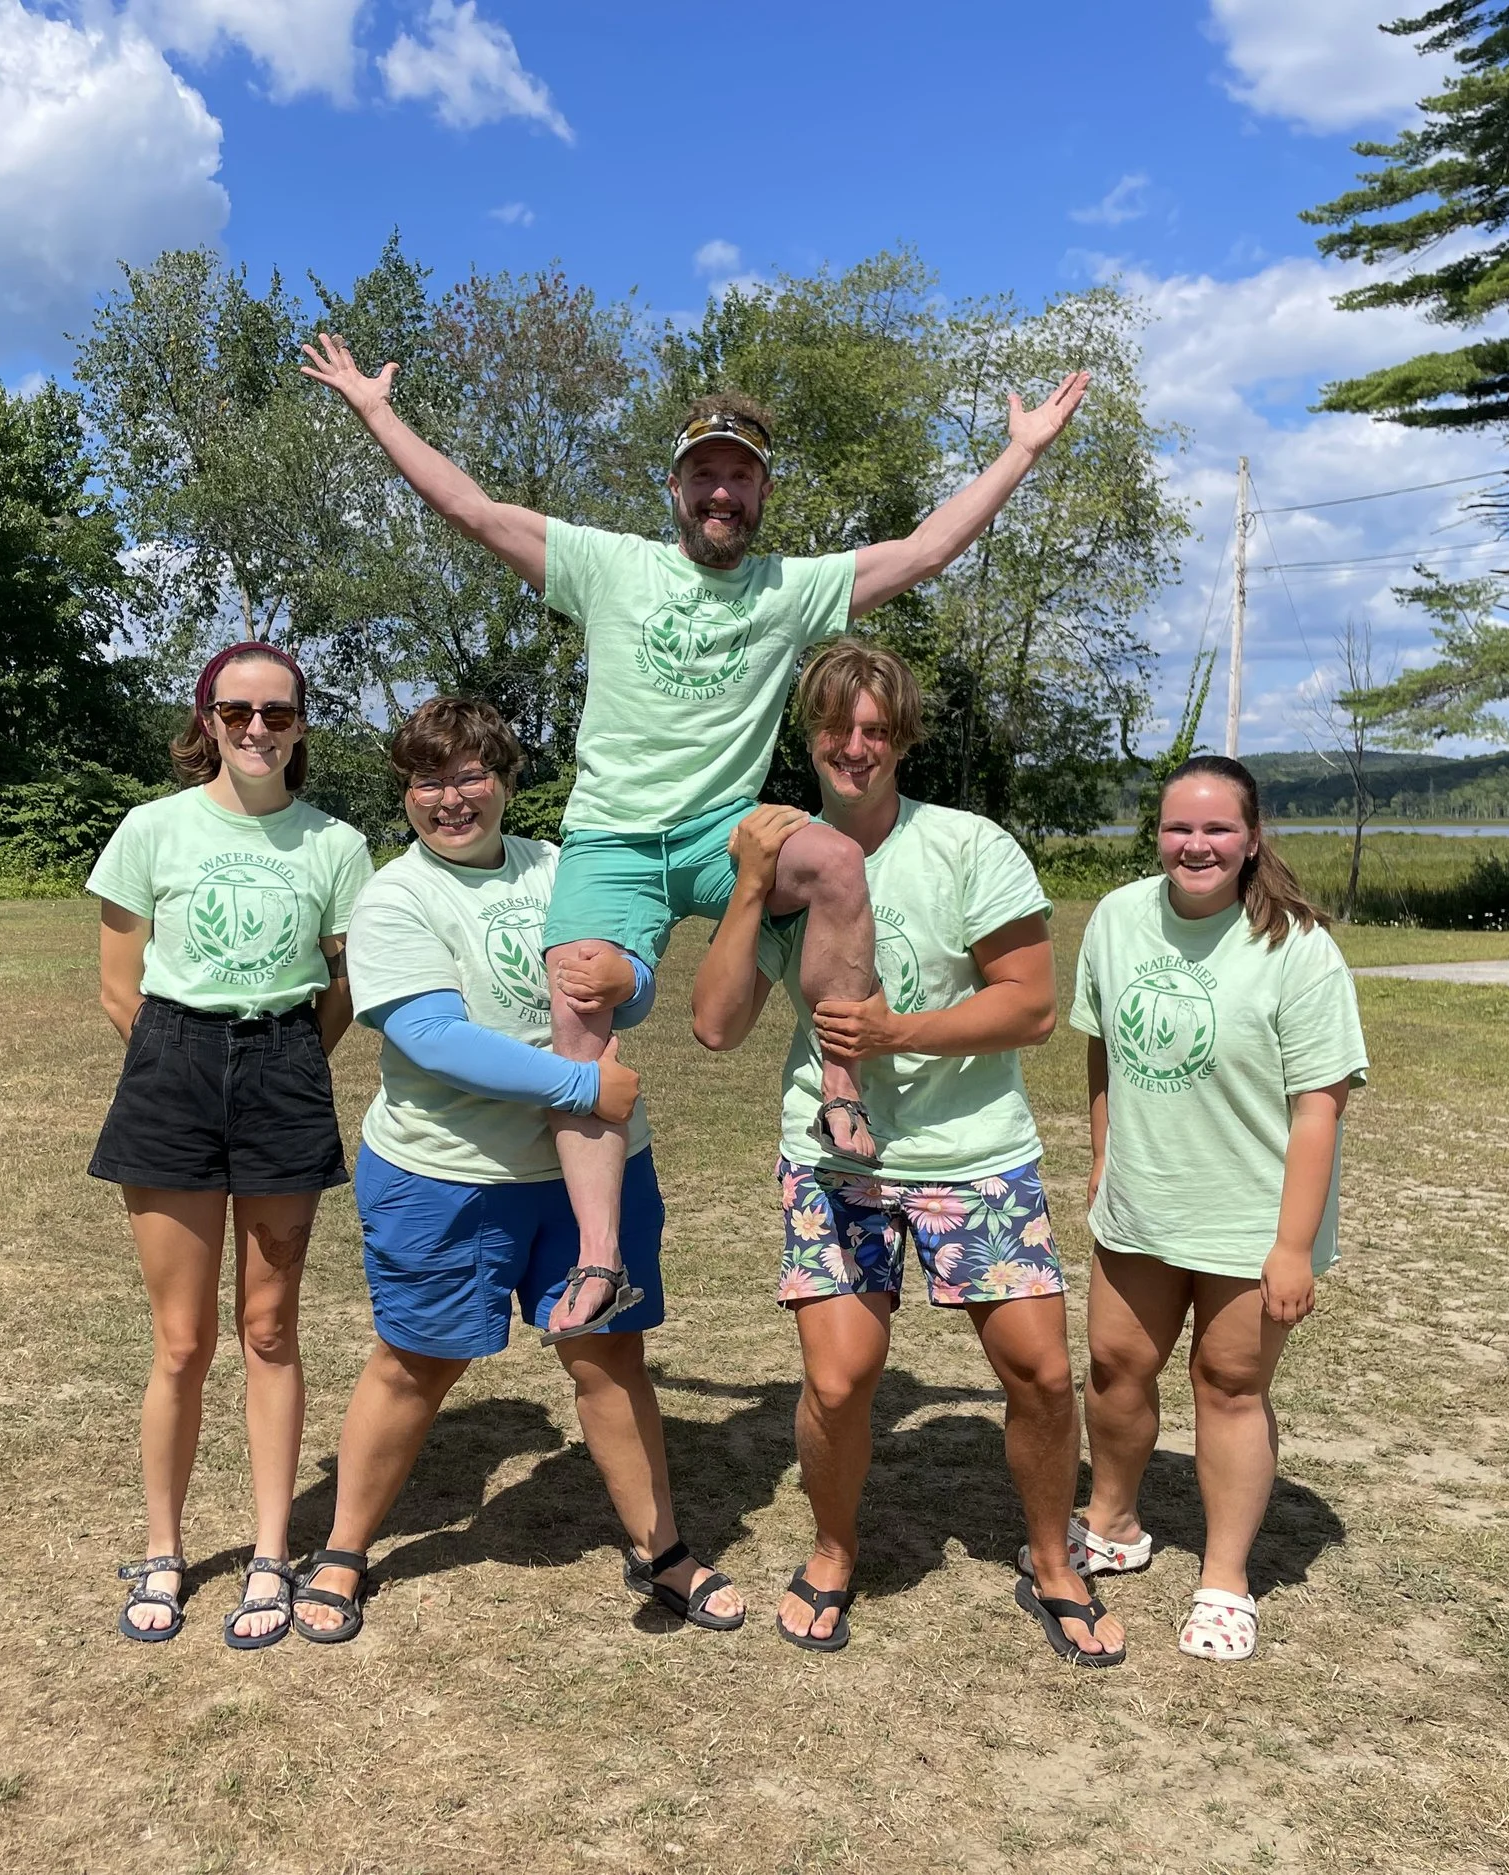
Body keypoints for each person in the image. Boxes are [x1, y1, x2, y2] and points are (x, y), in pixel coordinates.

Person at [299, 335, 1090, 1344]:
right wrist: (373, 409)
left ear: (762, 494)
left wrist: (1019, 452)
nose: (722, 493)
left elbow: (926, 549)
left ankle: (840, 1097)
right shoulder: (605, 566)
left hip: (724, 834)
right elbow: (472, 510)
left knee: (835, 860)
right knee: (582, 996)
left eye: (741, 478)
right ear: (675, 487)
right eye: (705, 474)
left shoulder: (788, 589)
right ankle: (596, 1258)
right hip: (615, 844)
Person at [688, 640, 1120, 1662]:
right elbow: (714, 1026)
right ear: (812, 735)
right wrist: (747, 888)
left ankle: (1051, 1561)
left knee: (1041, 1379)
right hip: (834, 1159)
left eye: (876, 728)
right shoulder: (783, 856)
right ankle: (834, 1551)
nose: (855, 746)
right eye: (836, 727)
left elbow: (1029, 1008)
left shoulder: (971, 847)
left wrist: (895, 1033)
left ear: (903, 737)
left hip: (974, 1152)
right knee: (839, 1385)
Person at [290, 696, 743, 1642]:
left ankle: (661, 1551)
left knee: (611, 1357)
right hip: (444, 1173)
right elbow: (430, 1036)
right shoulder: (394, 896)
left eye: (469, 774)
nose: (450, 798)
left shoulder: (563, 868)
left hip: (596, 1169)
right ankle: (343, 1549)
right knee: (419, 1361)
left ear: (503, 777)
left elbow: (624, 972)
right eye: (427, 779)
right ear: (405, 792)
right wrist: (583, 1087)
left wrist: (636, 983)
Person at [86, 643, 373, 1649]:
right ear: (206, 717)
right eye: (237, 710)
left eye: (279, 713)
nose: (258, 729)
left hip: (285, 1062)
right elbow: (120, 988)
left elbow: (343, 983)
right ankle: (163, 1550)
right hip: (171, 1064)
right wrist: (189, 1063)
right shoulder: (150, 830)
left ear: (301, 724)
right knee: (181, 1341)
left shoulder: (336, 845)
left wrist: (285, 1065)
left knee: (269, 1329)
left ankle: (266, 1553)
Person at [1068, 755, 1368, 1662]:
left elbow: (1321, 1104)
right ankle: (1112, 1520)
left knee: (1229, 1385)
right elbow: (1103, 1050)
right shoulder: (1118, 918)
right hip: (1144, 1202)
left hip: (1252, 1216)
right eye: (1177, 827)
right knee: (1118, 1365)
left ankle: (1226, 1580)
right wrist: (1102, 1153)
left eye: (1216, 829)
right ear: (1156, 833)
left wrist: (1293, 1244)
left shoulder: (1298, 946)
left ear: (1250, 838)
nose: (1195, 843)